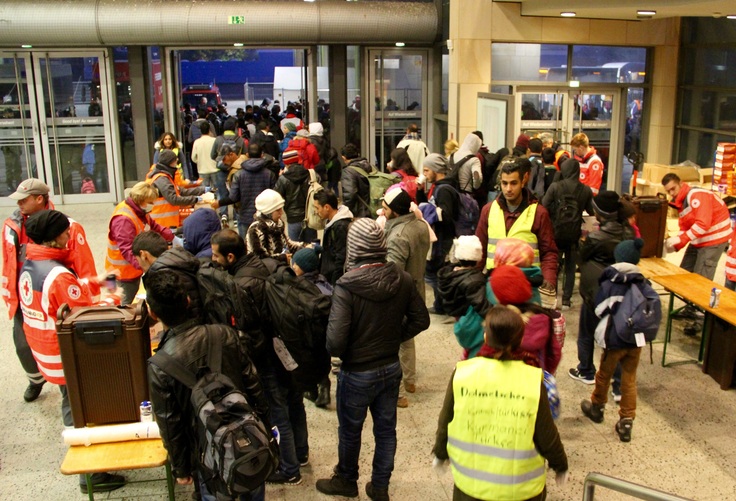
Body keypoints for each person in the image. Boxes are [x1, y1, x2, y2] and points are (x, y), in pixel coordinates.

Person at [316, 218, 430, 500]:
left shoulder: (346, 285)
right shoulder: (401, 278)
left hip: (356, 373)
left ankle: (346, 479)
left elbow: (335, 342)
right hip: (391, 368)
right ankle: (380, 487)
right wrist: (394, 337)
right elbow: (421, 319)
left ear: (354, 248)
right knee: (386, 431)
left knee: (351, 431)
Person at [19, 209, 125, 494]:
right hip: (64, 355)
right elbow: (82, 319)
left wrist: (100, 281)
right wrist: (113, 297)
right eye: (65, 231)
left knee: (72, 404)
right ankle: (90, 475)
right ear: (54, 238)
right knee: (79, 408)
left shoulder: (31, 264)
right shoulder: (58, 275)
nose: (70, 235)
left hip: (45, 351)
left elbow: (68, 291)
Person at [144, 271, 268, 501]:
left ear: (153, 313)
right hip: (249, 439)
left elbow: (170, 423)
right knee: (253, 485)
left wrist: (181, 468)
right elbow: (253, 384)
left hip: (207, 451)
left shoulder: (160, 365)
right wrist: (265, 430)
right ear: (188, 301)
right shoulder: (225, 334)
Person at [433, 305, 568, 501]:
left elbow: (446, 420)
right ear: (520, 340)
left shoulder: (463, 373)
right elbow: (546, 433)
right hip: (522, 490)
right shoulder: (532, 378)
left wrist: (440, 453)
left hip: (470, 487)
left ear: (486, 336)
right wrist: (560, 464)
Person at [2, 179, 97, 402]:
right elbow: (8, 262)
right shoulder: (12, 225)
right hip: (26, 293)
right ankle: (36, 379)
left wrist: (93, 301)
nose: (19, 205)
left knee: (60, 344)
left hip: (59, 294)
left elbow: (84, 266)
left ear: (39, 199)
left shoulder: (66, 226)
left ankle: (66, 386)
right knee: (24, 343)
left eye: (23, 200)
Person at [581, 238, 656, 443]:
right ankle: (626, 421)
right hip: (636, 341)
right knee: (629, 379)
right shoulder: (644, 283)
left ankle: (597, 407)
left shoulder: (611, 283)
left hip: (615, 339)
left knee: (604, 374)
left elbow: (599, 309)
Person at [568, 191, 633, 394]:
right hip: (621, 291)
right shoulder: (629, 234)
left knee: (587, 331)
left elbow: (581, 258)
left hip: (595, 292)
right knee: (616, 336)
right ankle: (618, 383)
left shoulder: (596, 237)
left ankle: (586, 370)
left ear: (599, 213)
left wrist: (581, 242)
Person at [475, 156, 558, 307]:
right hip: (495, 287)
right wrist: (473, 280)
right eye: (504, 183)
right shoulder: (488, 210)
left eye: (513, 183)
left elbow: (549, 252)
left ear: (523, 182)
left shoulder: (538, 213)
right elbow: (479, 248)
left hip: (527, 287)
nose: (508, 189)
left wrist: (549, 281)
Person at [662, 172, 732, 334]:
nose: (672, 193)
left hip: (714, 240)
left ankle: (700, 320)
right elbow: (686, 227)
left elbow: (702, 224)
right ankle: (691, 307)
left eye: (673, 189)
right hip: (700, 239)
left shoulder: (697, 196)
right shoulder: (683, 202)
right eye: (668, 191)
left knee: (702, 280)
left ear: (681, 183)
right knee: (685, 272)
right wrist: (677, 243)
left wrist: (683, 239)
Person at [382, 188, 430, 408]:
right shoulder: (420, 226)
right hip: (418, 289)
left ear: (394, 212)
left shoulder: (398, 237)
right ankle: (410, 381)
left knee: (393, 343)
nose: (382, 213)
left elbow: (393, 273)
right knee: (407, 339)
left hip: (400, 296)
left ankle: (399, 393)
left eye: (384, 209)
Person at [104, 181, 176, 305]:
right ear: (141, 200)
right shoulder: (123, 220)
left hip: (130, 271)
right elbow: (127, 250)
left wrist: (173, 236)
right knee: (122, 308)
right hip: (121, 274)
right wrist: (147, 267)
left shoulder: (140, 212)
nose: (152, 205)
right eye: (150, 202)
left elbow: (154, 226)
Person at [541, 158, 594, 309]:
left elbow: (543, 206)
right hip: (574, 234)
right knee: (570, 268)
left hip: (556, 232)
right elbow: (591, 212)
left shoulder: (555, 187)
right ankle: (566, 299)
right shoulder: (585, 190)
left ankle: (552, 297)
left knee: (554, 266)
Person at [290, 247, 334, 408]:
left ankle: (312, 390)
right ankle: (323, 386)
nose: (293, 267)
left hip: (307, 335)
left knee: (308, 364)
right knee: (322, 361)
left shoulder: (299, 287)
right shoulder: (324, 282)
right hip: (324, 335)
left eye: (296, 265)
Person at [132, 231, 203, 320]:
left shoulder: (162, 274)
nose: (139, 265)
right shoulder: (177, 259)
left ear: (143, 255)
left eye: (137, 260)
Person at [212, 143, 277, 235]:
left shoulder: (239, 174)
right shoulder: (270, 174)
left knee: (246, 245)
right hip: (265, 216)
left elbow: (233, 197)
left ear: (247, 155)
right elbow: (274, 197)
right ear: (262, 155)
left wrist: (219, 203)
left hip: (245, 216)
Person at [423, 153, 459, 315]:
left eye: (426, 170)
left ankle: (444, 305)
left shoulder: (444, 190)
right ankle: (441, 305)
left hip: (444, 238)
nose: (424, 174)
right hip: (440, 237)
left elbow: (447, 216)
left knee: (435, 273)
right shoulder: (438, 187)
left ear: (436, 170)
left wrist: (429, 211)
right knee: (435, 273)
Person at [147, 149, 205, 229]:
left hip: (164, 221)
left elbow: (180, 191)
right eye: (175, 160)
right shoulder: (162, 179)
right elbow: (174, 199)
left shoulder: (164, 176)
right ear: (169, 162)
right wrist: (195, 199)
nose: (177, 161)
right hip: (163, 222)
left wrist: (202, 190)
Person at [246, 189, 308, 262]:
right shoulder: (256, 229)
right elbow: (259, 258)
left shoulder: (277, 225)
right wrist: (281, 258)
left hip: (279, 269)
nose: (281, 213)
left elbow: (288, 244)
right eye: (278, 210)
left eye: (281, 209)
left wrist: (305, 247)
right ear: (268, 211)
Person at [314, 189, 353, 285]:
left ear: (326, 207)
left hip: (334, 279)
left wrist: (334, 283)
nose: (316, 212)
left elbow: (341, 257)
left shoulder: (340, 226)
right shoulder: (331, 221)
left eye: (317, 208)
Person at [274, 160, 317, 242]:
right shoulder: (311, 174)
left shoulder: (283, 179)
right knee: (313, 249)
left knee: (295, 249)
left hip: (293, 218)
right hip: (311, 216)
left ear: (286, 163)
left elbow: (276, 197)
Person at [340, 143, 372, 218]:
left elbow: (349, 194)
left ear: (344, 158)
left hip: (359, 213)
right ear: (358, 154)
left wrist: (345, 213)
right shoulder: (369, 166)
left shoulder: (348, 171)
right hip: (372, 209)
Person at [190, 121, 218, 190]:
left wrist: (199, 161)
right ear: (209, 130)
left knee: (205, 192)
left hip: (202, 170)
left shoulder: (197, 142)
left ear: (200, 131)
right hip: (215, 169)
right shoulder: (215, 140)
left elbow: (193, 158)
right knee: (218, 191)